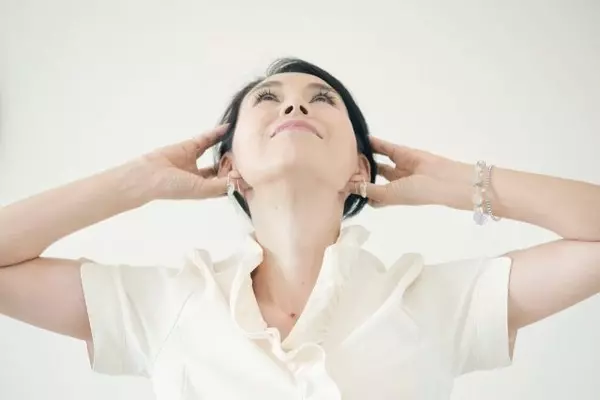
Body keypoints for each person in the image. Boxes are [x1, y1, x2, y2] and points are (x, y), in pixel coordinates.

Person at [0, 57, 599, 400]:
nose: (294, 106)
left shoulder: (432, 301)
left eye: (322, 99)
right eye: (268, 99)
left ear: (360, 168)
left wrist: (462, 183)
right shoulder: (166, 302)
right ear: (228, 166)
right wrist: (135, 182)